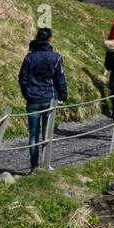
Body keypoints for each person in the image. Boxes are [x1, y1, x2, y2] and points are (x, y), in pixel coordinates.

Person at [18, 27, 68, 173]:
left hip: (32, 99)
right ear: (50, 39)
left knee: (33, 134)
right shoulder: (56, 57)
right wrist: (62, 96)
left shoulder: (29, 57)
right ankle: (47, 165)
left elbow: (22, 79)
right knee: (47, 134)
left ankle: (34, 166)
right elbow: (60, 79)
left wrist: (27, 94)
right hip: (49, 98)